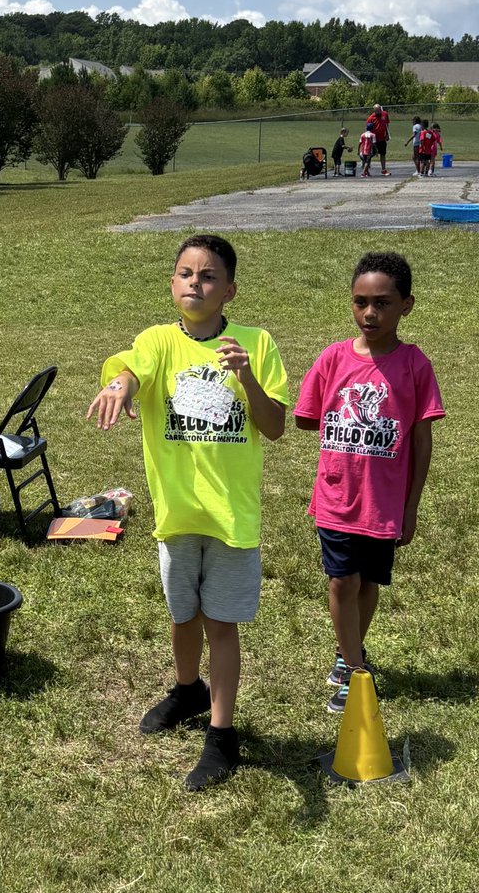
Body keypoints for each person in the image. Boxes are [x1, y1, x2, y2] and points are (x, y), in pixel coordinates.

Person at [86, 235, 288, 790]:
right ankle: (187, 690)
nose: (195, 282)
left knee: (220, 624)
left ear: (230, 291)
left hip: (230, 517)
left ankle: (222, 735)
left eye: (208, 275)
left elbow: (274, 426)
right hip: (177, 515)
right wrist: (120, 385)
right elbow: (133, 370)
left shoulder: (256, 343)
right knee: (182, 617)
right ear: (172, 283)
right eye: (185, 273)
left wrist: (246, 377)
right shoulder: (157, 340)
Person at [293, 252, 444, 713]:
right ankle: (356, 672)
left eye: (382, 303)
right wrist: (343, 414)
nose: (369, 313)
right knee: (342, 581)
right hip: (337, 494)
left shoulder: (415, 365)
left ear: (406, 305)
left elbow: (421, 440)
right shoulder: (333, 357)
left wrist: (411, 506)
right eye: (360, 302)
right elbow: (305, 416)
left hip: (384, 502)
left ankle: (347, 652)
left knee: (368, 583)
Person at [366, 103, 391, 176]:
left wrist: (387, 134)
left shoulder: (385, 114)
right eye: (376, 111)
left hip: (382, 138)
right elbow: (368, 129)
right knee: (370, 154)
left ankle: (383, 169)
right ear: (374, 110)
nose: (378, 112)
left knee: (383, 154)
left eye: (379, 110)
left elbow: (387, 124)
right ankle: (366, 170)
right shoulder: (371, 118)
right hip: (374, 139)